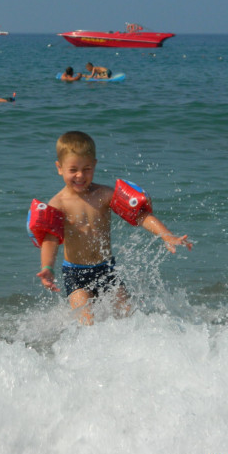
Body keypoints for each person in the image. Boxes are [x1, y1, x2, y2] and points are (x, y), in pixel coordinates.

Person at [35, 131, 192, 325]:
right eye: (73, 169)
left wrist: (166, 235)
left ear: (95, 165)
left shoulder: (104, 194)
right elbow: (50, 240)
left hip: (106, 268)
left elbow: (140, 215)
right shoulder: (58, 204)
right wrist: (47, 267)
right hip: (76, 273)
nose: (80, 175)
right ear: (59, 168)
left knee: (129, 316)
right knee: (86, 322)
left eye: (87, 169)